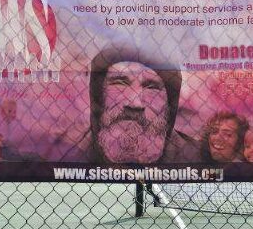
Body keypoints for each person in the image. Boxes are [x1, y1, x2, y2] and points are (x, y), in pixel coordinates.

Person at [59, 45, 200, 163]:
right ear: (99, 95)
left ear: (170, 104)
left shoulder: (198, 157)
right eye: (120, 83)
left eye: (151, 87)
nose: (134, 103)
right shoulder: (65, 154)